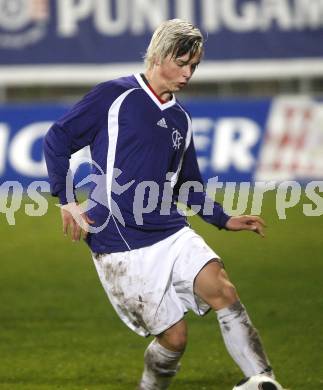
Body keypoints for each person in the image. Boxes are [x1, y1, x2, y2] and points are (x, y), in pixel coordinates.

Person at [44, 19, 275, 389]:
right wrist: (67, 200)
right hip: (117, 240)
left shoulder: (180, 118)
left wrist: (224, 219)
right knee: (175, 339)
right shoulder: (114, 96)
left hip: (169, 228)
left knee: (223, 289)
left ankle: (263, 381)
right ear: (159, 55)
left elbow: (188, 185)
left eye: (194, 66)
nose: (188, 74)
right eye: (182, 63)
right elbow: (57, 138)